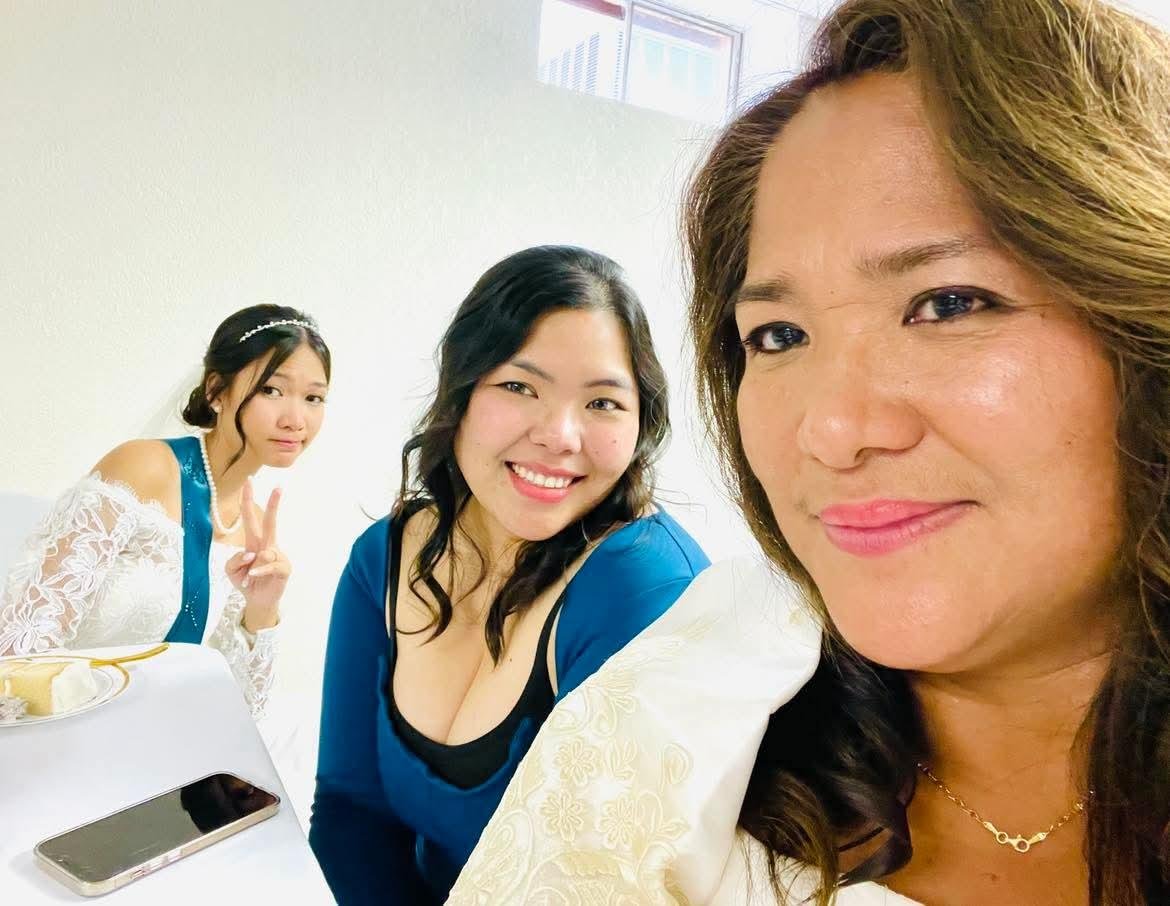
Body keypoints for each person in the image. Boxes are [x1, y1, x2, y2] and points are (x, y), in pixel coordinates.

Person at [448, 1, 1170, 903]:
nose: (828, 431)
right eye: (779, 335)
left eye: (949, 303)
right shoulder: (677, 721)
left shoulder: (631, 578)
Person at [308, 245, 709, 904]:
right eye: (519, 386)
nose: (560, 435)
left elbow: (596, 888)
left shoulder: (643, 591)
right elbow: (355, 812)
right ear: (461, 393)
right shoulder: (382, 558)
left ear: (640, 424)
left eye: (603, 402)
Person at [0, 305, 330, 717]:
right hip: (57, 732)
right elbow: (21, 647)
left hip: (156, 751)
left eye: (314, 398)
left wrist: (262, 610)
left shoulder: (252, 530)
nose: (296, 419)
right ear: (216, 390)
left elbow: (242, 714)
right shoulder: (144, 469)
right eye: (271, 390)